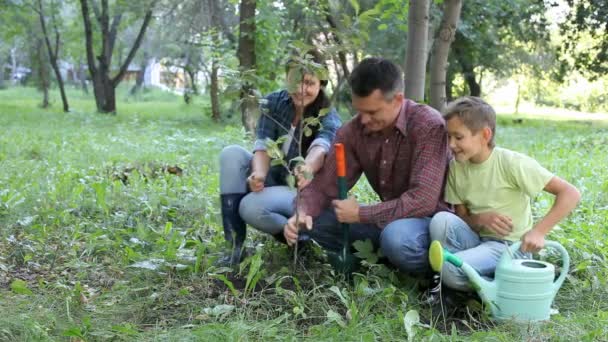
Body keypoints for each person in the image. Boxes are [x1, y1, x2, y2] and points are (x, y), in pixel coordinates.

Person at [283, 57, 451, 275]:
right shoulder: (352, 131)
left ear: (398, 100)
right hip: (389, 221)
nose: (363, 120)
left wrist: (362, 213)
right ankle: (384, 263)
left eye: (372, 112)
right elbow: (324, 186)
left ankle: (437, 277)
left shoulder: (428, 125)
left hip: (434, 223)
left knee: (396, 238)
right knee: (316, 219)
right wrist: (302, 211)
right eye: (359, 111)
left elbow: (423, 201)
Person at [429, 96, 581, 292]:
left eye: (458, 137)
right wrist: (481, 219)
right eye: (449, 137)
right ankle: (485, 277)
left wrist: (539, 232)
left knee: (447, 267)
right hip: (478, 241)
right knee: (441, 220)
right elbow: (462, 218)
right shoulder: (457, 167)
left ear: (485, 135)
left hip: (511, 248)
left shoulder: (511, 163)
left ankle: (500, 287)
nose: (451, 145)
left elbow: (570, 193)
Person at [219, 50, 342, 265]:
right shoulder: (273, 102)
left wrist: (307, 167)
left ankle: (299, 238)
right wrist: (258, 173)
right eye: (295, 80)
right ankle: (234, 248)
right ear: (286, 78)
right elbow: (263, 143)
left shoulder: (327, 114)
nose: (300, 89)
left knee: (249, 207)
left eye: (309, 83)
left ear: (321, 84)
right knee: (231, 154)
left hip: (302, 190)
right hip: (273, 177)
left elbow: (320, 148)